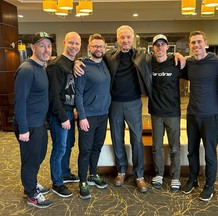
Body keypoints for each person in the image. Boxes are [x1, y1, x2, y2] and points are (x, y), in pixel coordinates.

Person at [74, 25, 152, 193]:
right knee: (117, 138)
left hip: (134, 104)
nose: (125, 40)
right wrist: (76, 61)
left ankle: (139, 175)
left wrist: (177, 55)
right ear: (117, 40)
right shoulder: (109, 56)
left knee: (137, 139)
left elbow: (162, 57)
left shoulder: (142, 55)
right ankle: (122, 171)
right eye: (122, 37)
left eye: (128, 37)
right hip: (114, 104)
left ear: (133, 38)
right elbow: (92, 60)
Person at [181, 31, 218, 202]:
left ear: (205, 43)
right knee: (191, 150)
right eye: (193, 42)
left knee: (209, 153)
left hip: (210, 115)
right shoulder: (189, 62)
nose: (196, 45)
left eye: (199, 42)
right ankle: (193, 179)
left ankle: (209, 185)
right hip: (192, 114)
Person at [14, 31, 55, 208]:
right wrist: (23, 129)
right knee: (31, 160)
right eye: (41, 45)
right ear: (33, 47)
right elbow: (20, 101)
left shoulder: (41, 67)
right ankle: (31, 194)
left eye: (49, 45)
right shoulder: (26, 70)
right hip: (28, 125)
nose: (46, 49)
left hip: (39, 123)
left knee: (38, 156)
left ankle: (30, 184)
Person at [75, 34, 111, 200]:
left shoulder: (105, 63)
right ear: (89, 48)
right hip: (87, 116)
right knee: (85, 150)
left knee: (97, 147)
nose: (98, 49)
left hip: (103, 115)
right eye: (95, 46)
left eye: (101, 46)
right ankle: (82, 181)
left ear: (104, 48)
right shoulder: (83, 66)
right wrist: (81, 116)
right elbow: (78, 93)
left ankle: (93, 174)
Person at [46, 32, 82, 198]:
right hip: (59, 114)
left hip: (69, 111)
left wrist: (73, 109)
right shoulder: (56, 65)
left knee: (68, 145)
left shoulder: (72, 63)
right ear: (64, 42)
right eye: (71, 43)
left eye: (77, 44)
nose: (74, 46)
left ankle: (65, 173)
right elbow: (53, 95)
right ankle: (57, 183)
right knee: (59, 148)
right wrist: (62, 116)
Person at [148, 34, 183, 192]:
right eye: (157, 45)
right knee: (157, 146)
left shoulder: (175, 62)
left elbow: (194, 61)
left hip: (173, 112)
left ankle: (175, 176)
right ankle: (159, 174)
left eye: (163, 44)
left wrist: (181, 55)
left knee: (174, 147)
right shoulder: (149, 63)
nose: (160, 47)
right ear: (153, 47)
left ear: (168, 47)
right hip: (156, 111)